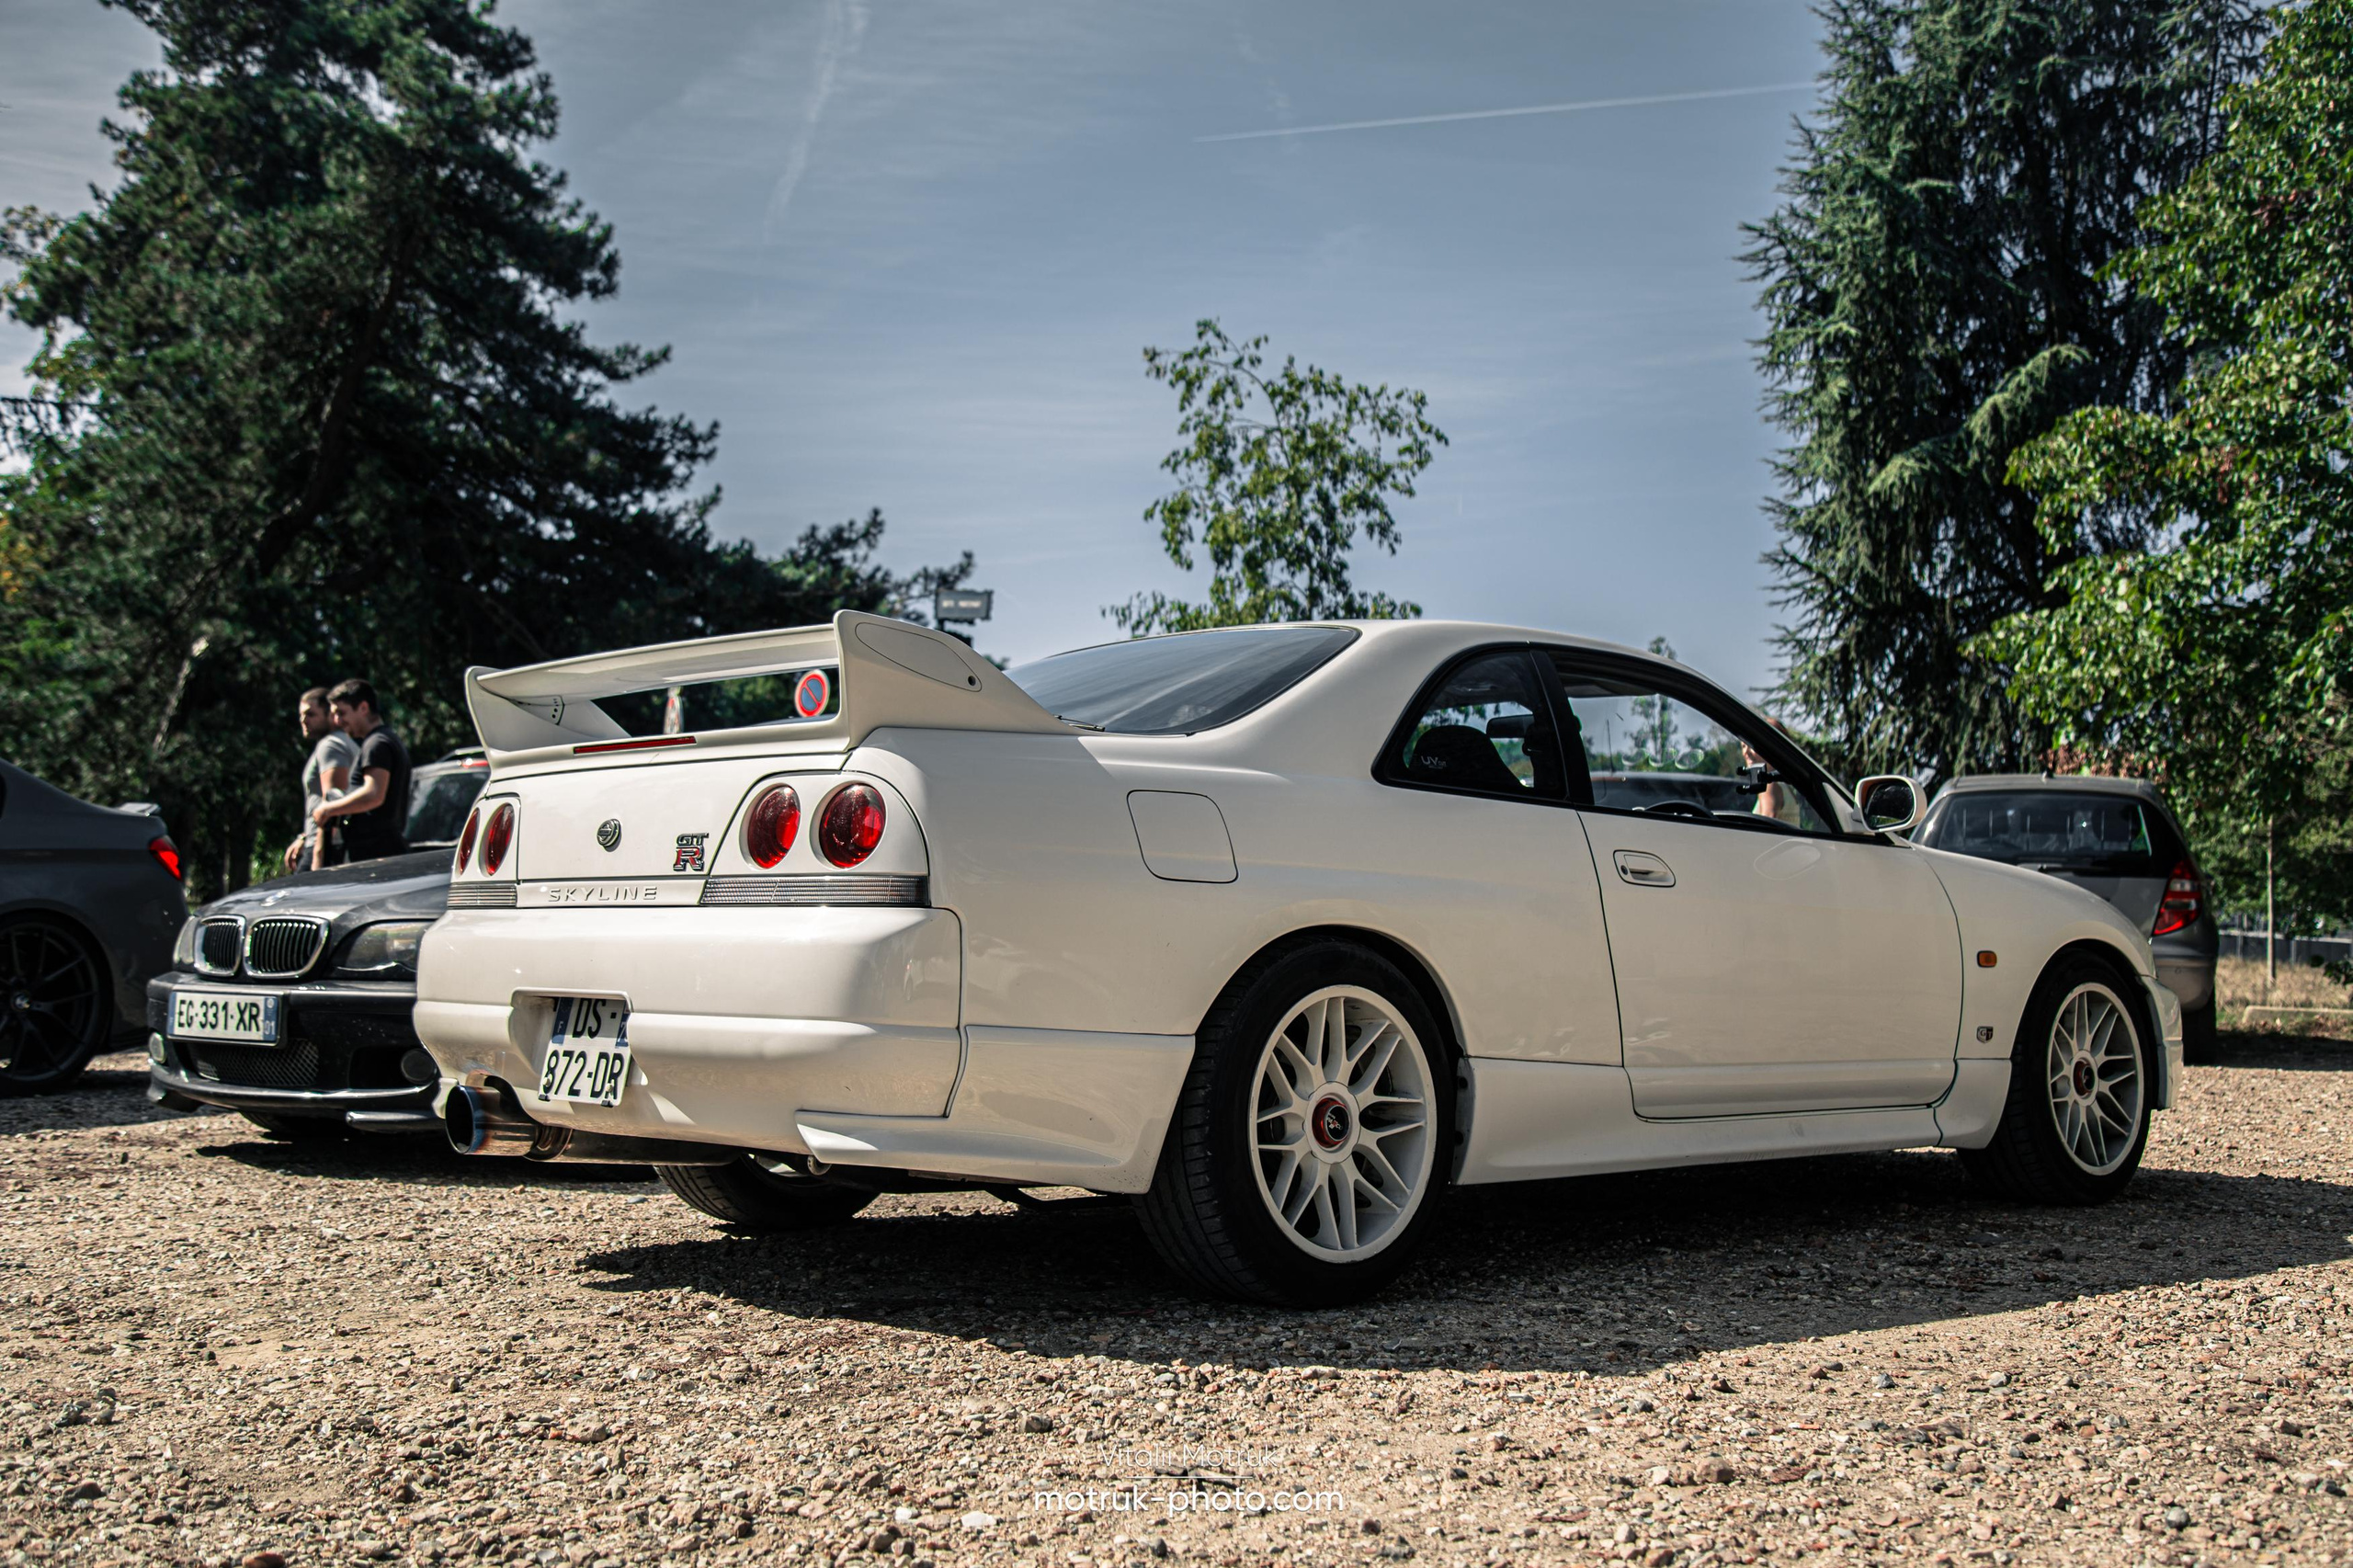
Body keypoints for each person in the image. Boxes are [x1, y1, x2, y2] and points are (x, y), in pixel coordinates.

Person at [312, 679, 413, 863]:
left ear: (363, 708)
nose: (337, 721)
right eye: (334, 715)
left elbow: (374, 794)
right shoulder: (383, 739)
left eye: (342, 713)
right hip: (380, 851)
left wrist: (328, 809)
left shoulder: (377, 743)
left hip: (377, 854)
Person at [284, 687, 357, 874]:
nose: (303, 720)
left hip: (326, 846)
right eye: (301, 715)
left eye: (311, 714)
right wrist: (304, 836)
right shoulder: (333, 744)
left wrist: (318, 854)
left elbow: (333, 804)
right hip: (319, 840)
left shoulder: (331, 745)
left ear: (330, 715)